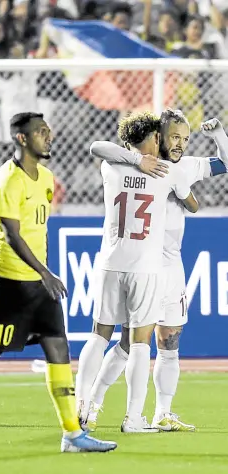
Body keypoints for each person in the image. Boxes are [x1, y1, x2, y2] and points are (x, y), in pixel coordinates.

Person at [0, 112, 117, 454]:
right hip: (8, 282)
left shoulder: (46, 178)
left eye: (48, 129)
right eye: (40, 131)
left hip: (39, 284)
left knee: (58, 349)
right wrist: (45, 272)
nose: (49, 135)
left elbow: (36, 229)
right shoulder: (7, 180)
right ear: (21, 139)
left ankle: (72, 434)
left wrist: (43, 275)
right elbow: (12, 235)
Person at [85, 110, 228, 432]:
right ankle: (94, 405)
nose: (180, 144)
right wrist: (140, 161)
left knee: (170, 342)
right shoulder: (132, 164)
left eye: (185, 139)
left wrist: (218, 132)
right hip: (142, 265)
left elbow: (225, 163)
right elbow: (100, 147)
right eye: (174, 137)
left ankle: (162, 411)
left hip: (171, 265)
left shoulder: (186, 166)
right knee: (127, 343)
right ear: (157, 137)